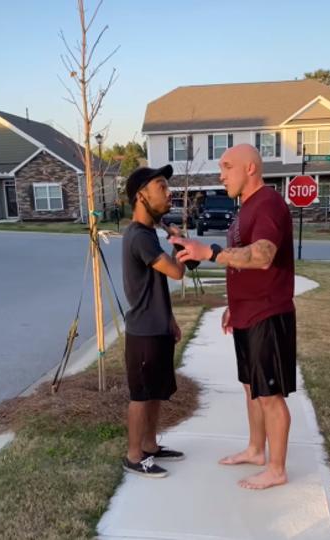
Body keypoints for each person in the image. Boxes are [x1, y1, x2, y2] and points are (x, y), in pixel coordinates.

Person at [169, 144, 296, 490]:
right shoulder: (245, 210)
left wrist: (209, 252)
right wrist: (232, 304)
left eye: (227, 166)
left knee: (270, 394)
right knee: (251, 388)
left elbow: (263, 255)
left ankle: (277, 468)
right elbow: (242, 262)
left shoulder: (268, 203)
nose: (220, 174)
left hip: (268, 313)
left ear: (250, 168)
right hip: (246, 311)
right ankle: (257, 450)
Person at [120, 164, 187, 478]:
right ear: (141, 196)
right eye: (161, 186)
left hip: (157, 326)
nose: (168, 191)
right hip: (143, 332)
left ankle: (150, 444)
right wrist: (180, 242)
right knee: (141, 395)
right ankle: (134, 456)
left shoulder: (148, 233)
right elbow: (175, 272)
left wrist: (170, 318)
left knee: (157, 391)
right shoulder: (139, 236)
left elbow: (155, 284)